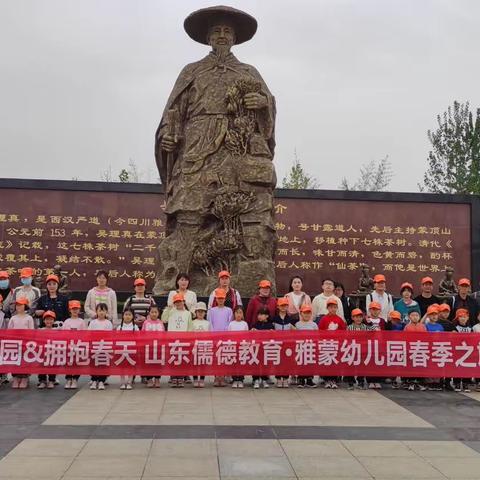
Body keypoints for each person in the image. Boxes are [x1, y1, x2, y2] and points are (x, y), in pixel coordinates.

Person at [165, 293, 193, 387]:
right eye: (176, 302)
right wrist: (168, 308)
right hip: (172, 339)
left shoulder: (188, 313)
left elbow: (190, 327)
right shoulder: (171, 311)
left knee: (181, 359)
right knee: (172, 358)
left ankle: (180, 377)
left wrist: (188, 338)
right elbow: (164, 319)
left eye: (179, 301)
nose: (178, 303)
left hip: (183, 340)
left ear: (183, 301)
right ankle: (173, 377)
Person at [208, 289, 233, 386]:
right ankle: (216, 376)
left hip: (225, 338)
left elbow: (229, 323)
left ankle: (222, 376)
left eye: (222, 298)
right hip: (214, 338)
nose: (220, 300)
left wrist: (225, 335)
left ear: (225, 298)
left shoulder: (228, 310)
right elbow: (210, 323)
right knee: (216, 358)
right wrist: (213, 335)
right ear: (216, 299)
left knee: (223, 358)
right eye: (219, 298)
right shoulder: (212, 311)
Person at [8, 298, 34, 389]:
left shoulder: (29, 318)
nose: (18, 306)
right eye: (17, 305)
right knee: (15, 360)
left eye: (21, 305)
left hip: (25, 343)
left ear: (25, 306)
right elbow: (9, 331)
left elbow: (31, 331)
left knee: (24, 360)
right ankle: (15, 377)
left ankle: (24, 377)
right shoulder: (13, 318)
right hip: (15, 343)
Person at [88, 303, 113, 390]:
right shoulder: (92, 322)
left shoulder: (108, 323)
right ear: (96, 312)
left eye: (103, 310)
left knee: (103, 364)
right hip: (94, 347)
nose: (101, 312)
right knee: (94, 364)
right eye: (99, 310)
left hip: (104, 347)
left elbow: (110, 335)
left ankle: (102, 380)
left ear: (106, 312)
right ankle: (94, 380)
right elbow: (89, 334)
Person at [62, 300, 86, 389]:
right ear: (70, 310)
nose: (75, 311)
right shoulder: (67, 321)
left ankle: (75, 379)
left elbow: (84, 334)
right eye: (73, 309)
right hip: (68, 346)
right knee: (68, 363)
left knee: (77, 363)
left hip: (78, 346)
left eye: (77, 309)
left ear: (79, 310)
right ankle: (68, 379)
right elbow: (63, 334)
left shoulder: (82, 322)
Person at [294, 305, 318, 388]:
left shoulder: (314, 324)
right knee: (301, 363)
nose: (307, 315)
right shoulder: (297, 324)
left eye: (308, 313)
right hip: (300, 347)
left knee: (310, 363)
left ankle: (309, 379)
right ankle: (301, 379)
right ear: (301, 313)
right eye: (305, 313)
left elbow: (317, 335)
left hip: (311, 347)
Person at [272, 297, 294, 388]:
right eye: (282, 305)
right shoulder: (275, 318)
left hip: (287, 343)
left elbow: (293, 329)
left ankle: (285, 378)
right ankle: (278, 378)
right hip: (277, 343)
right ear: (278, 306)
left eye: (285, 305)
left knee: (286, 361)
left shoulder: (289, 319)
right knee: (278, 361)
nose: (283, 307)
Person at [251, 307, 274, 389]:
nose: (259, 316)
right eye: (258, 314)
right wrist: (252, 331)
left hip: (266, 349)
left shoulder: (270, 325)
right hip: (256, 348)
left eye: (261, 314)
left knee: (265, 364)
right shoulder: (255, 325)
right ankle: (256, 379)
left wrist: (271, 333)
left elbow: (273, 338)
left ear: (267, 316)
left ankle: (264, 379)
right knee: (256, 363)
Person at [404, 310, 427, 391]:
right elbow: (404, 338)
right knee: (410, 366)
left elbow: (426, 338)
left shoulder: (423, 326)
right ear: (409, 317)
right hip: (410, 349)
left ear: (419, 317)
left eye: (417, 315)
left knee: (420, 366)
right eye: (413, 315)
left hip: (420, 349)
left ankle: (419, 382)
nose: (415, 317)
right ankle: (410, 382)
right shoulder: (407, 327)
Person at [142, 305, 164, 388]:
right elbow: (143, 333)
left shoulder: (160, 322)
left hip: (158, 347)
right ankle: (149, 378)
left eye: (155, 312)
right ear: (149, 313)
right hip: (148, 347)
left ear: (158, 313)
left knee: (158, 363)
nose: (154, 314)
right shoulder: (146, 322)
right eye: (152, 312)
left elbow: (163, 334)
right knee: (148, 363)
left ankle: (157, 378)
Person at [117, 308, 139, 390]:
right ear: (123, 316)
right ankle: (122, 382)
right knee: (121, 367)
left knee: (131, 366)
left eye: (129, 315)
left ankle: (129, 382)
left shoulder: (135, 327)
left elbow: (138, 339)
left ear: (133, 316)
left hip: (132, 350)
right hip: (122, 350)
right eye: (126, 314)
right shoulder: (119, 327)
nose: (127, 316)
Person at [227, 306, 249, 388]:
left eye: (240, 313)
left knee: (241, 364)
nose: (238, 314)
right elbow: (228, 336)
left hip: (242, 347)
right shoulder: (231, 324)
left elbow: (247, 336)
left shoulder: (245, 324)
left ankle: (240, 379)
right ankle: (235, 379)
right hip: (233, 347)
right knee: (234, 363)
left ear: (243, 314)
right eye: (237, 313)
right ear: (234, 314)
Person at [346, 308, 367, 389]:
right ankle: (351, 382)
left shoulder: (365, 327)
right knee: (350, 365)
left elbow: (372, 333)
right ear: (352, 318)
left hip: (362, 350)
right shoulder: (349, 327)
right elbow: (346, 338)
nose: (358, 319)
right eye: (356, 317)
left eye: (360, 317)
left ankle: (361, 381)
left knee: (361, 365)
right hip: (352, 349)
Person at [452, 309, 473, 392]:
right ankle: (456, 382)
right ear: (458, 318)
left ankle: (465, 383)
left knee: (467, 367)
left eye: (464, 317)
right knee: (457, 366)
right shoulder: (455, 328)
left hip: (468, 351)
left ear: (467, 318)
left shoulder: (470, 328)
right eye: (461, 317)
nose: (463, 318)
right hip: (458, 350)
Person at [37, 311, 58, 390]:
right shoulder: (40, 330)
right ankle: (42, 380)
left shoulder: (56, 330)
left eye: (51, 319)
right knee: (41, 365)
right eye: (47, 319)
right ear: (44, 320)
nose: (49, 321)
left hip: (52, 352)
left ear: (54, 320)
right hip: (42, 352)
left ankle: (51, 380)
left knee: (52, 366)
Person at [192, 302, 210, 388]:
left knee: (203, 364)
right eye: (198, 311)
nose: (200, 313)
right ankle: (195, 378)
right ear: (195, 312)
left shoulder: (207, 323)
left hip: (204, 345)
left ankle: (202, 379)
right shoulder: (192, 322)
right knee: (195, 363)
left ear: (205, 313)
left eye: (202, 311)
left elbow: (210, 334)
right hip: (195, 345)